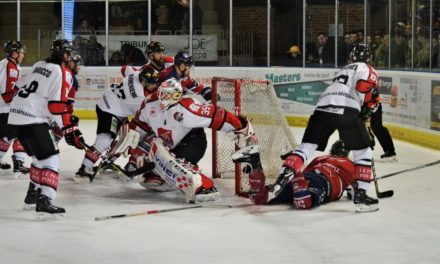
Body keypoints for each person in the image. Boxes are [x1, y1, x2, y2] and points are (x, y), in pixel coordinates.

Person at [263, 43, 380, 212]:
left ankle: (282, 178)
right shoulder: (367, 69)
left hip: (322, 107)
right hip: (346, 109)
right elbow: (363, 87)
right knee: (363, 152)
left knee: (307, 147)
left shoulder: (343, 70)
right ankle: (361, 196)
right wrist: (368, 105)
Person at [125, 78, 257, 203]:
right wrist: (133, 157)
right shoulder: (150, 104)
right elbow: (139, 126)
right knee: (147, 174)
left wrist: (241, 127)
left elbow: (218, 116)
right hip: (170, 145)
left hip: (193, 143)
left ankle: (204, 186)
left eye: (167, 95)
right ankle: (164, 175)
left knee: (170, 163)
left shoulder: (188, 109)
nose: (163, 98)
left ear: (176, 96)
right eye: (162, 94)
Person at [8, 39, 84, 218]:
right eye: (69, 53)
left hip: (16, 116)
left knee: (38, 158)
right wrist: (69, 129)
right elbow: (56, 106)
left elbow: (18, 85)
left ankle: (31, 197)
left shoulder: (39, 64)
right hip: (33, 119)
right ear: (65, 55)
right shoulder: (62, 72)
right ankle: (45, 200)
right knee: (52, 159)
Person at [232, 140, 378, 211]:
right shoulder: (351, 165)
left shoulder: (320, 159)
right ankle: (296, 177)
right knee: (303, 202)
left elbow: (308, 175)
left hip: (309, 175)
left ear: (332, 151)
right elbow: (354, 193)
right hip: (324, 182)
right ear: (346, 153)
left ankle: (255, 164)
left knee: (260, 198)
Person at [75, 67, 161, 182]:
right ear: (144, 82)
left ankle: (107, 161)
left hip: (114, 105)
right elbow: (146, 114)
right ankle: (84, 170)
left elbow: (125, 68)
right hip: (109, 111)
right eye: (152, 83)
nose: (155, 86)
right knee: (104, 140)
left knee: (126, 138)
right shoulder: (139, 97)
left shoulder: (135, 74)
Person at [0, 40, 30, 178]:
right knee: (21, 132)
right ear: (14, 53)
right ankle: (18, 163)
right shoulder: (11, 68)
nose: (23, 54)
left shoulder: (5, 64)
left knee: (7, 137)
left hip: (3, 109)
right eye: (21, 52)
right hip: (4, 110)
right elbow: (7, 97)